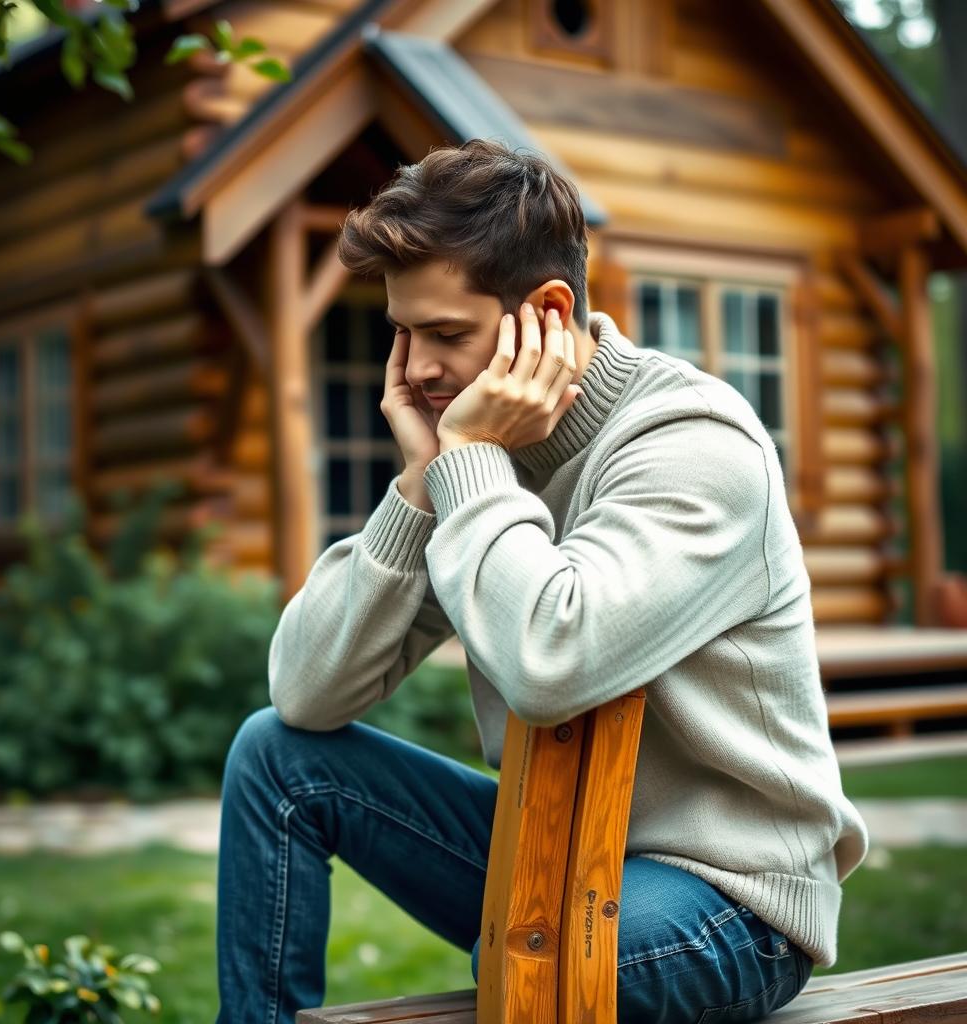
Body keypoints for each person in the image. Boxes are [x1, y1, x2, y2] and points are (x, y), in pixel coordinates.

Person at [213, 139, 869, 1024]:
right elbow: (305, 692)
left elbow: (553, 663)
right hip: (555, 853)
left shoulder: (695, 445)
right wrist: (417, 489)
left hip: (730, 898)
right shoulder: (472, 456)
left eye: (446, 334)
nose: (412, 372)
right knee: (276, 758)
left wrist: (470, 464)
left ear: (548, 314)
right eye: (401, 333)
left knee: (534, 955)